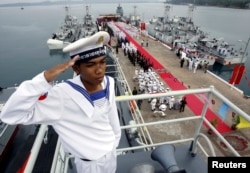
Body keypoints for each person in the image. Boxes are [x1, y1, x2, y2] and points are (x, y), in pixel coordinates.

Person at [0, 31, 121, 173]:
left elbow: (112, 117)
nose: (99, 70)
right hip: (90, 165)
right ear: (76, 68)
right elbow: (10, 115)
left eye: (102, 62)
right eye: (90, 65)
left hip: (111, 154)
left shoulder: (109, 82)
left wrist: (114, 142)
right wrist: (44, 78)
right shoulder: (62, 95)